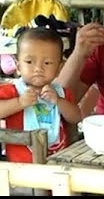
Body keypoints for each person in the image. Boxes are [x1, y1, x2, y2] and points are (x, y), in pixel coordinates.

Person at [0, 27, 82, 163]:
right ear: (18, 66)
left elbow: (76, 117)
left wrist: (58, 101)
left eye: (47, 63)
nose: (38, 68)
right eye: (29, 62)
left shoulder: (60, 92)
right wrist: (19, 103)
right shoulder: (12, 90)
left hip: (57, 160)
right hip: (21, 165)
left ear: (59, 67)